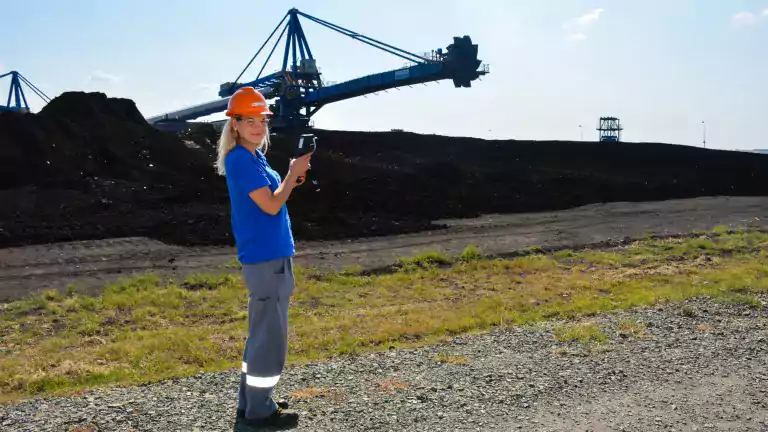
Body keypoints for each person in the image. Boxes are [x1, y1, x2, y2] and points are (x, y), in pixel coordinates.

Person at [216, 86, 312, 429]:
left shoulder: (253, 157)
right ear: (236, 125)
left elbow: (275, 197)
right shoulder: (241, 159)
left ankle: (252, 403)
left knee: (261, 334)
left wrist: (290, 177)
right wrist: (290, 175)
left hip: (270, 256)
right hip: (266, 258)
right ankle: (259, 412)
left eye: (262, 120)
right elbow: (271, 204)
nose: (258, 126)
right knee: (270, 339)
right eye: (250, 120)